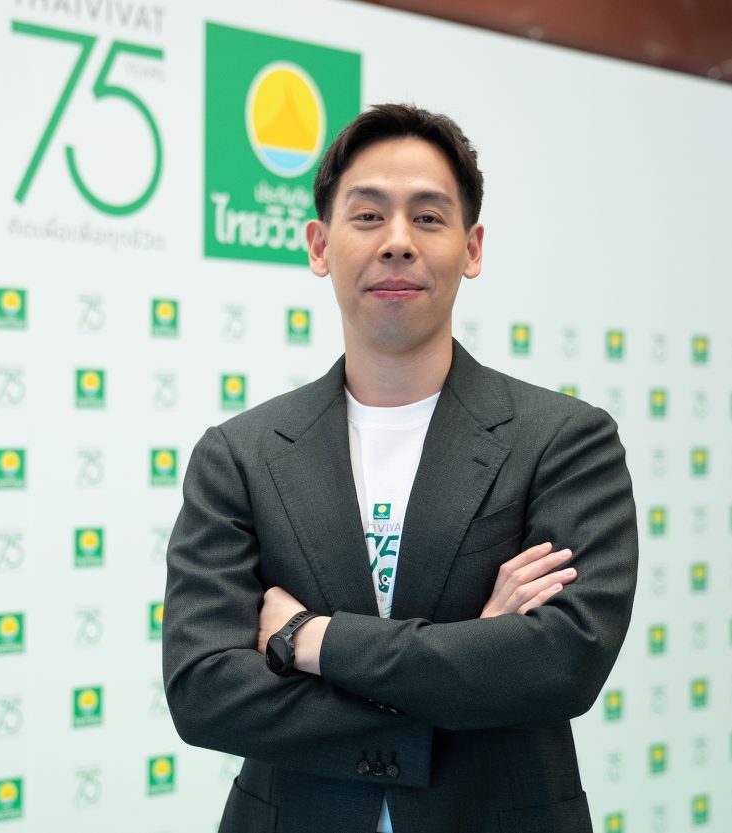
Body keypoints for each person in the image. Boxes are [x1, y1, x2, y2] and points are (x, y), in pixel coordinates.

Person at [162, 103, 637, 833]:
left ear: (471, 248)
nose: (397, 242)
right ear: (319, 245)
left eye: (428, 217)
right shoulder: (241, 455)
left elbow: (561, 663)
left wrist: (311, 639)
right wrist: (471, 657)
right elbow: (205, 691)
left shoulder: (564, 442)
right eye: (367, 216)